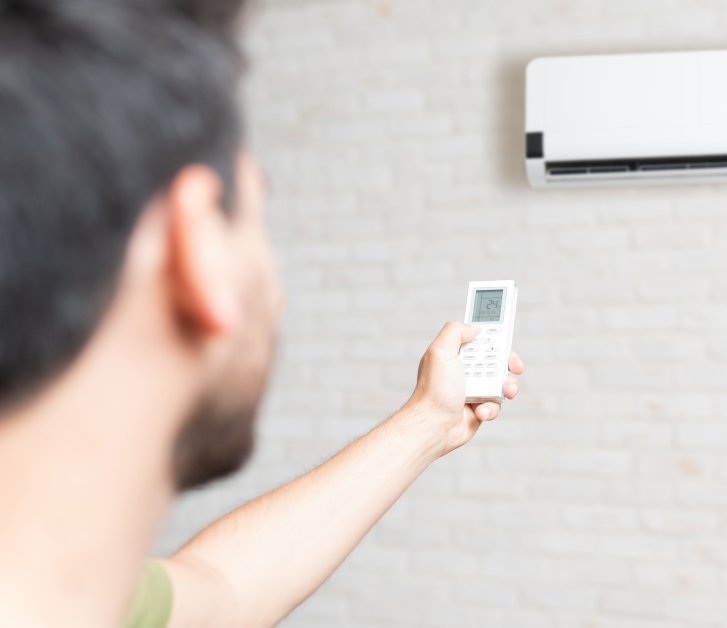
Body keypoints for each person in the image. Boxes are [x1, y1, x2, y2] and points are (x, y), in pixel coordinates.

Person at [0, 0, 523, 625]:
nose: (276, 293)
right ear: (197, 247)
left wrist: (428, 422)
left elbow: (225, 593)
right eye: (255, 213)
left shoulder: (84, 598)